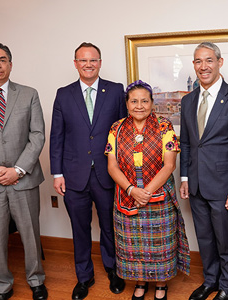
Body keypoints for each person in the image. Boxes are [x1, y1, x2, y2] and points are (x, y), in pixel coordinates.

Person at [49, 42, 127, 300]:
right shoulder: (63, 94)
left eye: (93, 60)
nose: (88, 64)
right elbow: (57, 135)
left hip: (108, 173)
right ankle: (84, 277)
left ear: (100, 63)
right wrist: (57, 173)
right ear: (75, 64)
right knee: (79, 228)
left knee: (109, 226)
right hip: (73, 175)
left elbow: (122, 133)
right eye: (83, 60)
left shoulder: (115, 91)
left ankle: (114, 270)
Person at [180, 42, 228, 300]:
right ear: (194, 65)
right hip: (197, 184)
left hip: (225, 187)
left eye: (209, 60)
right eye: (198, 61)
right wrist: (184, 177)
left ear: (220, 62)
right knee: (204, 239)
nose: (204, 66)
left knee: (225, 241)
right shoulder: (188, 101)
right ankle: (210, 281)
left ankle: (227, 286)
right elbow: (187, 143)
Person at [105, 80, 190, 300]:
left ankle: (161, 284)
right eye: (134, 101)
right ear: (127, 104)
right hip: (127, 196)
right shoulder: (116, 128)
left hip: (159, 196)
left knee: (160, 244)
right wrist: (133, 190)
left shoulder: (165, 126)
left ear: (152, 103)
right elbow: (112, 166)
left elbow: (169, 165)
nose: (139, 106)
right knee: (135, 245)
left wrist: (146, 192)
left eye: (144, 101)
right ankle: (140, 282)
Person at [0, 42, 47, 300]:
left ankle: (36, 281)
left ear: (10, 64)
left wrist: (18, 169)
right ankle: (2, 285)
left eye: (2, 60)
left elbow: (37, 135)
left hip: (23, 180)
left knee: (30, 233)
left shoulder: (28, 94)